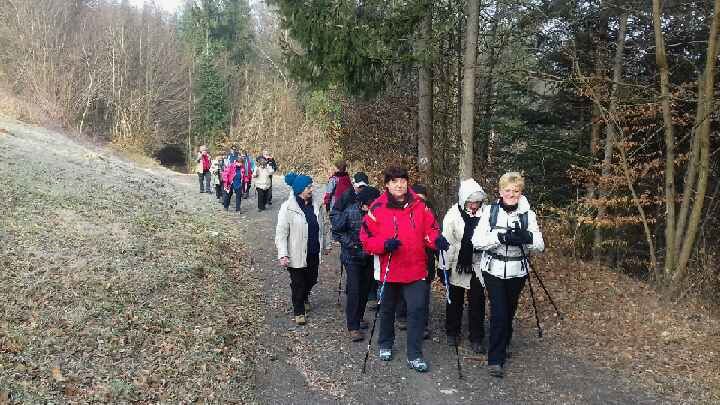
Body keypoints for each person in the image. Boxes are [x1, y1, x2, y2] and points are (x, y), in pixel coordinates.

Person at [359, 166, 449, 373]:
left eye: (402, 181)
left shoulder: (420, 206)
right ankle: (385, 343)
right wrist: (383, 245)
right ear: (387, 185)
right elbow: (366, 239)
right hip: (390, 268)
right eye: (394, 181)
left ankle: (415, 354)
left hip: (416, 268)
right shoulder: (377, 208)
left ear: (407, 183)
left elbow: (431, 230)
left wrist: (437, 240)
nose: (399, 185)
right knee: (387, 309)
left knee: (417, 310)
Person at [472, 172, 544, 378]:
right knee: (499, 312)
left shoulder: (528, 214)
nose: (511, 194)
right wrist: (500, 237)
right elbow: (477, 241)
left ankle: (503, 343)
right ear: (500, 191)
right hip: (493, 269)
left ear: (521, 192)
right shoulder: (490, 211)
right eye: (508, 190)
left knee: (509, 310)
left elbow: (540, 245)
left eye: (516, 191)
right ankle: (495, 359)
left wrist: (526, 237)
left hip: (517, 271)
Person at [275, 172, 330, 325]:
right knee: (298, 283)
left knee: (312, 279)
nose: (311, 189)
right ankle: (299, 310)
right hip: (295, 253)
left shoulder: (317, 205)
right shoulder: (287, 207)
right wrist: (283, 254)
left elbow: (324, 226)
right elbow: (281, 233)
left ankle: (305, 296)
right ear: (299, 189)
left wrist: (327, 244)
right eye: (308, 187)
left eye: (311, 186)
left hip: (313, 251)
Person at [441, 178, 487, 353]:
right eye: (470, 202)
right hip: (456, 262)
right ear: (463, 200)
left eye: (477, 202)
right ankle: (452, 331)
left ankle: (476, 337)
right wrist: (443, 266)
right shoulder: (453, 214)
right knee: (454, 299)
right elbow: (446, 242)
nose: (474, 206)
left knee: (477, 301)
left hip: (478, 263)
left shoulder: (486, 214)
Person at [332, 186, 381, 342]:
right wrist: (351, 244)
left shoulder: (378, 213)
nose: (371, 208)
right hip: (351, 257)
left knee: (365, 289)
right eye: (369, 205)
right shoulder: (349, 212)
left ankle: (358, 318)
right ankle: (353, 327)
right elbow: (337, 231)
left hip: (369, 256)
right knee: (354, 290)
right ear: (362, 204)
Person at [395, 184, 436, 340]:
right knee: (403, 291)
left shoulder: (430, 212)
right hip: (405, 258)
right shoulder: (401, 211)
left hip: (425, 260)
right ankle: (402, 315)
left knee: (423, 295)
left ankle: (422, 324)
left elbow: (435, 234)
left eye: (422, 199)